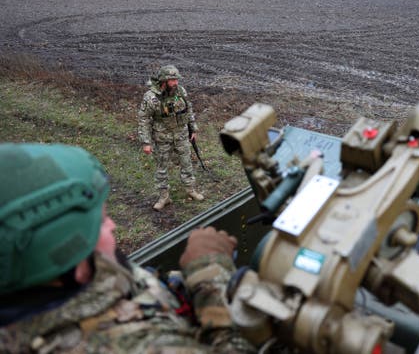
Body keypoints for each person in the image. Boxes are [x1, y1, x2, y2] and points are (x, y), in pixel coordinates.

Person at [0, 143, 255, 353]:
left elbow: (118, 290)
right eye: (100, 223)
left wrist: (178, 285)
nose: (111, 225)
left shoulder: (68, 281)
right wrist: (210, 280)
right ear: (59, 252)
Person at [138, 64, 205, 211]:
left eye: (176, 79)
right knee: (161, 167)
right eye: (172, 80)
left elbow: (189, 110)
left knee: (186, 162)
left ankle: (190, 189)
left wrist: (193, 128)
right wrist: (146, 142)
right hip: (162, 138)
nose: (176, 83)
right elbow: (144, 120)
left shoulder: (180, 91)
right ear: (164, 81)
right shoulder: (150, 98)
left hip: (181, 135)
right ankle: (164, 196)